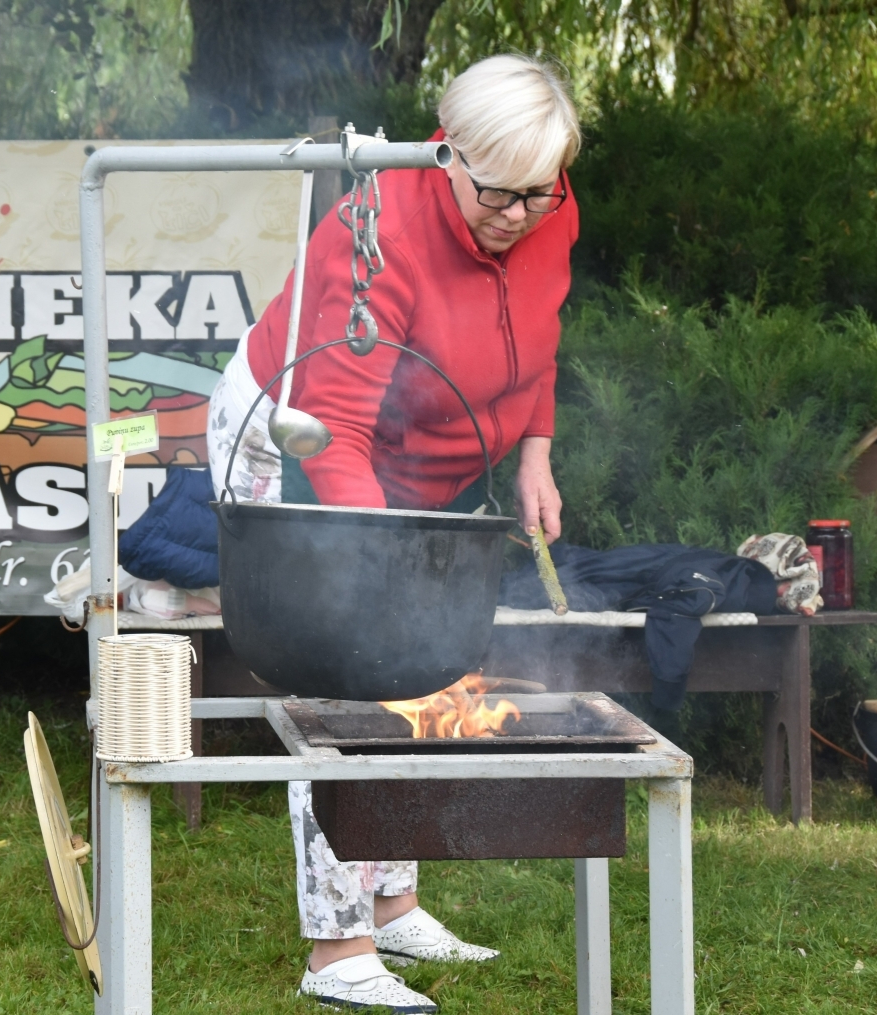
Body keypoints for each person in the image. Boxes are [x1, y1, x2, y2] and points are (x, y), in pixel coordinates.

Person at [207, 54, 582, 1013]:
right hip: (293, 431)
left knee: (414, 655)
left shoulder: (549, 208)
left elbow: (536, 341)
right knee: (342, 663)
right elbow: (331, 423)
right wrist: (369, 571)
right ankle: (336, 948)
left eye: (535, 195)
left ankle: (395, 904)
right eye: (494, 193)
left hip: (419, 454)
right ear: (442, 151)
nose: (515, 215)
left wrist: (534, 451)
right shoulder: (373, 234)